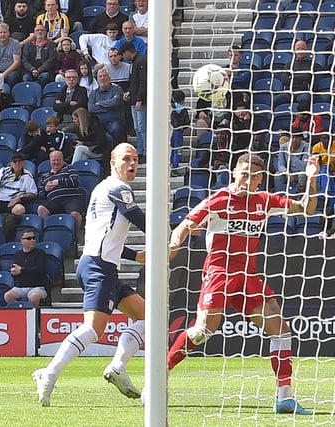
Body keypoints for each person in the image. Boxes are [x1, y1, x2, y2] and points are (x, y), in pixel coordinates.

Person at [167, 153, 319, 416]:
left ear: (261, 179)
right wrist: (174, 243)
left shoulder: (265, 201)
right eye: (245, 173)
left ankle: (284, 397)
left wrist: (312, 179)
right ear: (234, 172)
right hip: (218, 274)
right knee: (202, 331)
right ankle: (158, 376)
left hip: (248, 277)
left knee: (281, 330)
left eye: (255, 175)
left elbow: (307, 208)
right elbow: (184, 225)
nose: (248, 179)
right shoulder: (218, 200)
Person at [33, 143, 148, 406]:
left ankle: (118, 368)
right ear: (112, 162)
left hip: (101, 263)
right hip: (99, 266)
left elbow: (103, 234)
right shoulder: (118, 188)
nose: (132, 164)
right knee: (93, 330)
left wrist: (134, 256)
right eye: (126, 159)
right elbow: (139, 218)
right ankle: (48, 374)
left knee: (148, 317)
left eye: (136, 159)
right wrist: (173, 231)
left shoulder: (101, 188)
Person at [0, 152, 38, 219]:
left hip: (13, 202)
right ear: (11, 163)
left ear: (23, 163)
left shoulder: (27, 175)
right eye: (14, 161)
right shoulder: (3, 171)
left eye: (19, 161)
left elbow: (33, 193)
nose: (17, 164)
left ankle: (11, 228)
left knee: (20, 210)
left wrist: (20, 197)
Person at [37, 149, 82, 228]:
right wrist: (45, 189)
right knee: (41, 209)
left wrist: (59, 181)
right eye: (54, 160)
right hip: (54, 201)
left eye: (59, 160)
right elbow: (40, 194)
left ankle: (75, 237)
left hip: (71, 199)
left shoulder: (69, 168)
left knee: (75, 214)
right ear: (50, 161)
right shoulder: (45, 175)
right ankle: (48, 231)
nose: (56, 162)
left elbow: (75, 181)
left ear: (63, 160)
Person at [4, 228, 47, 306]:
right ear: (22, 240)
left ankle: (33, 315)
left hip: (36, 287)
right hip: (20, 287)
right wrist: (13, 272)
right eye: (28, 238)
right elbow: (16, 271)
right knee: (8, 296)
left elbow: (40, 270)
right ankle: (18, 313)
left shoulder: (40, 253)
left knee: (34, 297)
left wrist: (22, 270)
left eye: (33, 238)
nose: (32, 240)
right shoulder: (18, 254)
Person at [120, 41, 146, 160]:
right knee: (137, 127)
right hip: (134, 98)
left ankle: (145, 150)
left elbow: (143, 82)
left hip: (139, 100)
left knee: (141, 126)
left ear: (127, 52)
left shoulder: (140, 61)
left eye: (123, 54)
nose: (123, 57)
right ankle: (140, 150)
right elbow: (134, 82)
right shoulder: (134, 63)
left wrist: (140, 98)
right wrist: (130, 91)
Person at [89, 68, 123, 146]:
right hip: (99, 122)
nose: (102, 78)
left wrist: (100, 103)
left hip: (114, 120)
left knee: (116, 128)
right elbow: (91, 108)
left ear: (109, 78)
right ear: (97, 79)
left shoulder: (117, 89)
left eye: (104, 76)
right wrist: (109, 108)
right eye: (100, 76)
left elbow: (116, 102)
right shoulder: (94, 93)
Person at [275, 128, 310, 193]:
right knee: (277, 175)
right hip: (288, 173)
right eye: (293, 137)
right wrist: (286, 172)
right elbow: (280, 165)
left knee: (302, 175)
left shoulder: (306, 147)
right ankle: (280, 196)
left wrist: (292, 156)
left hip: (300, 173)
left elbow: (304, 167)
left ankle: (300, 196)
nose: (294, 140)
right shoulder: (283, 147)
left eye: (297, 137)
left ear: (301, 138)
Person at [0, 22, 21, 87]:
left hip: (11, 71)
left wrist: (5, 73)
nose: (3, 34)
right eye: (0, 32)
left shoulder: (15, 43)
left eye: (5, 32)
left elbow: (16, 62)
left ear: (9, 33)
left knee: (12, 77)